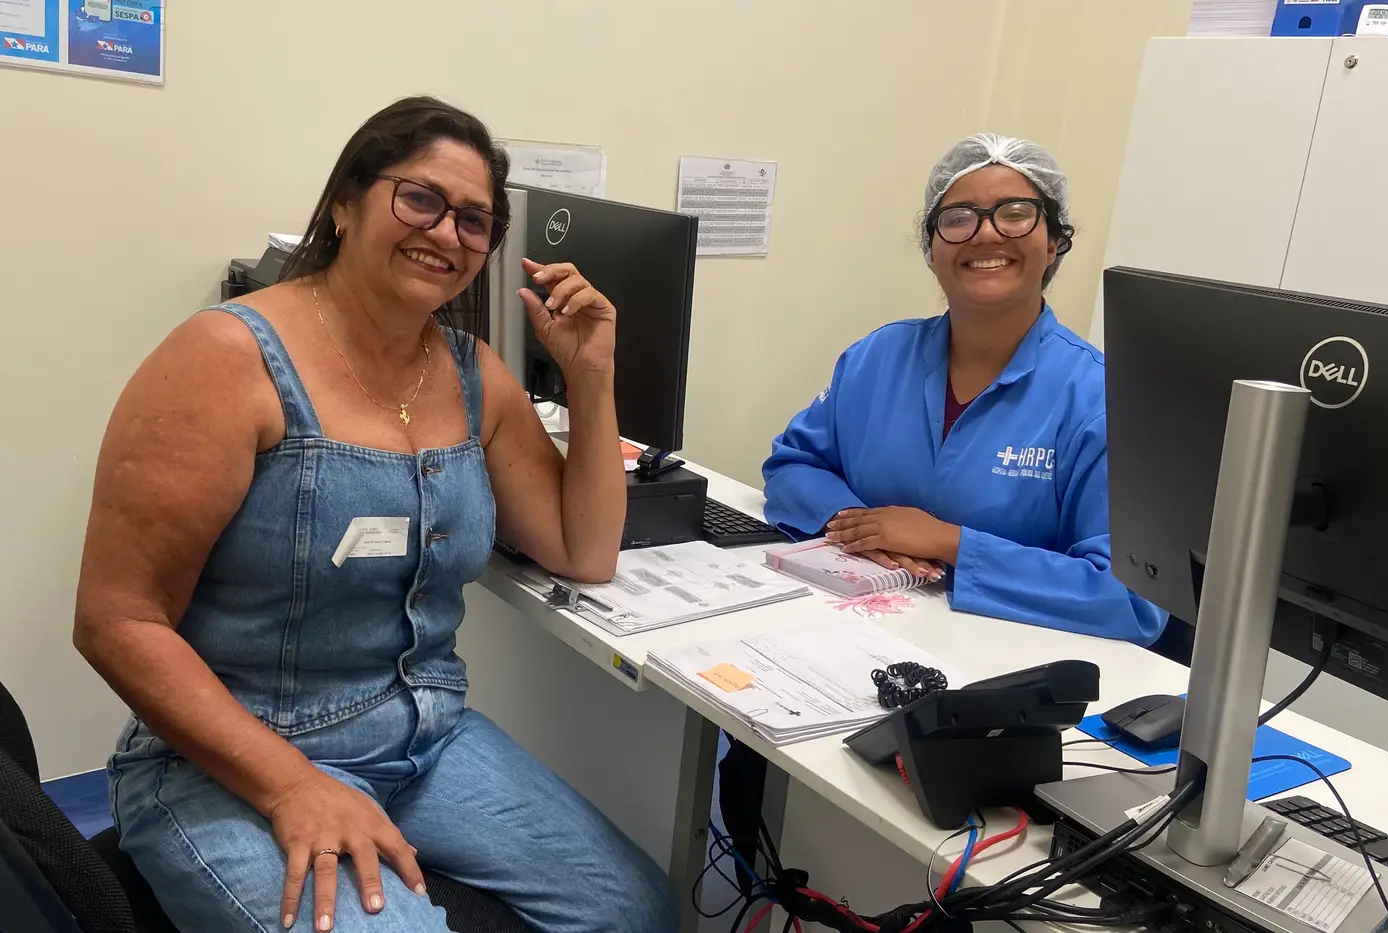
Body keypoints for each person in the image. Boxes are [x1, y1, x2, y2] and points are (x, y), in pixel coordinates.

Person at [73, 96, 676, 933]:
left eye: (474, 219)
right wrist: (293, 784)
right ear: (346, 204)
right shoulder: (227, 358)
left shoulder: (474, 373)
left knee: (637, 909)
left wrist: (591, 374)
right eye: (420, 198)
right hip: (225, 760)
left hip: (424, 740)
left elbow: (585, 550)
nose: (446, 233)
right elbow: (116, 620)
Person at [719, 133, 1167, 879]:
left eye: (1015, 213)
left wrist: (952, 542)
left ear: (1055, 241)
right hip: (848, 662)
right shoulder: (877, 357)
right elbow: (793, 463)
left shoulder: (1098, 398)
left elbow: (1130, 598)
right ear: (931, 247)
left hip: (995, 715)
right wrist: (863, 528)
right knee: (777, 812)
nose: (986, 234)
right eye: (958, 218)